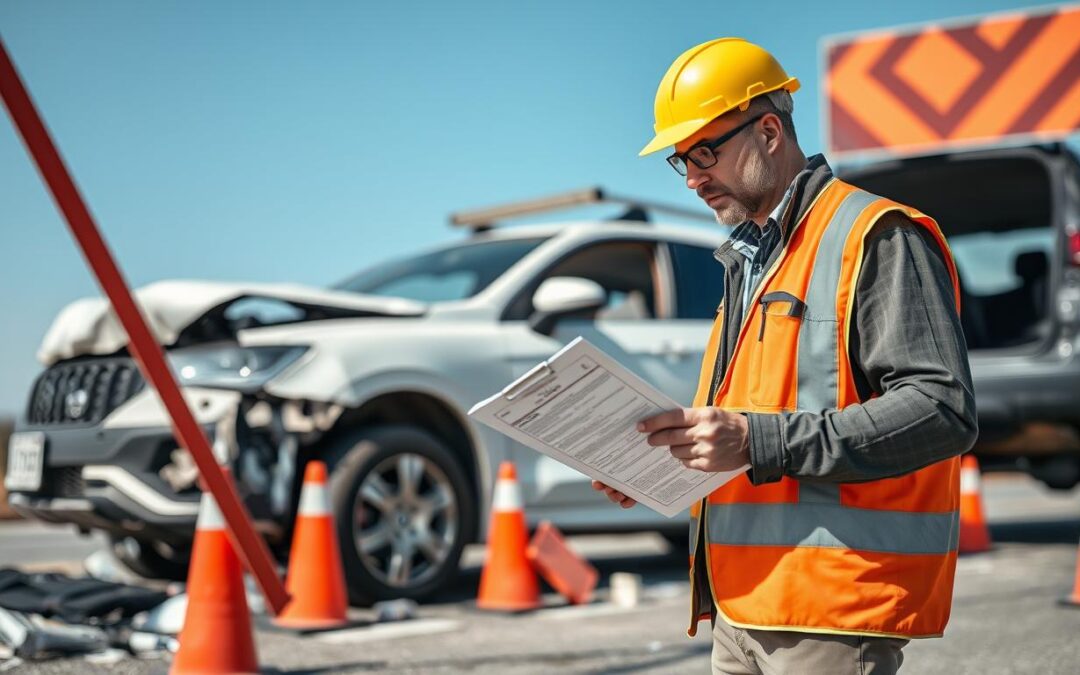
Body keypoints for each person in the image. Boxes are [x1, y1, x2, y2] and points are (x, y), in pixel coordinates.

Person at [592, 38, 977, 674]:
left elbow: (941, 410)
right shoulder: (749, 262)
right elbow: (753, 422)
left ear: (769, 129)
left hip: (829, 606)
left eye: (705, 153)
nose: (692, 178)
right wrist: (654, 469)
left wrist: (754, 442)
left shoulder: (875, 235)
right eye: (680, 161)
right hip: (739, 607)